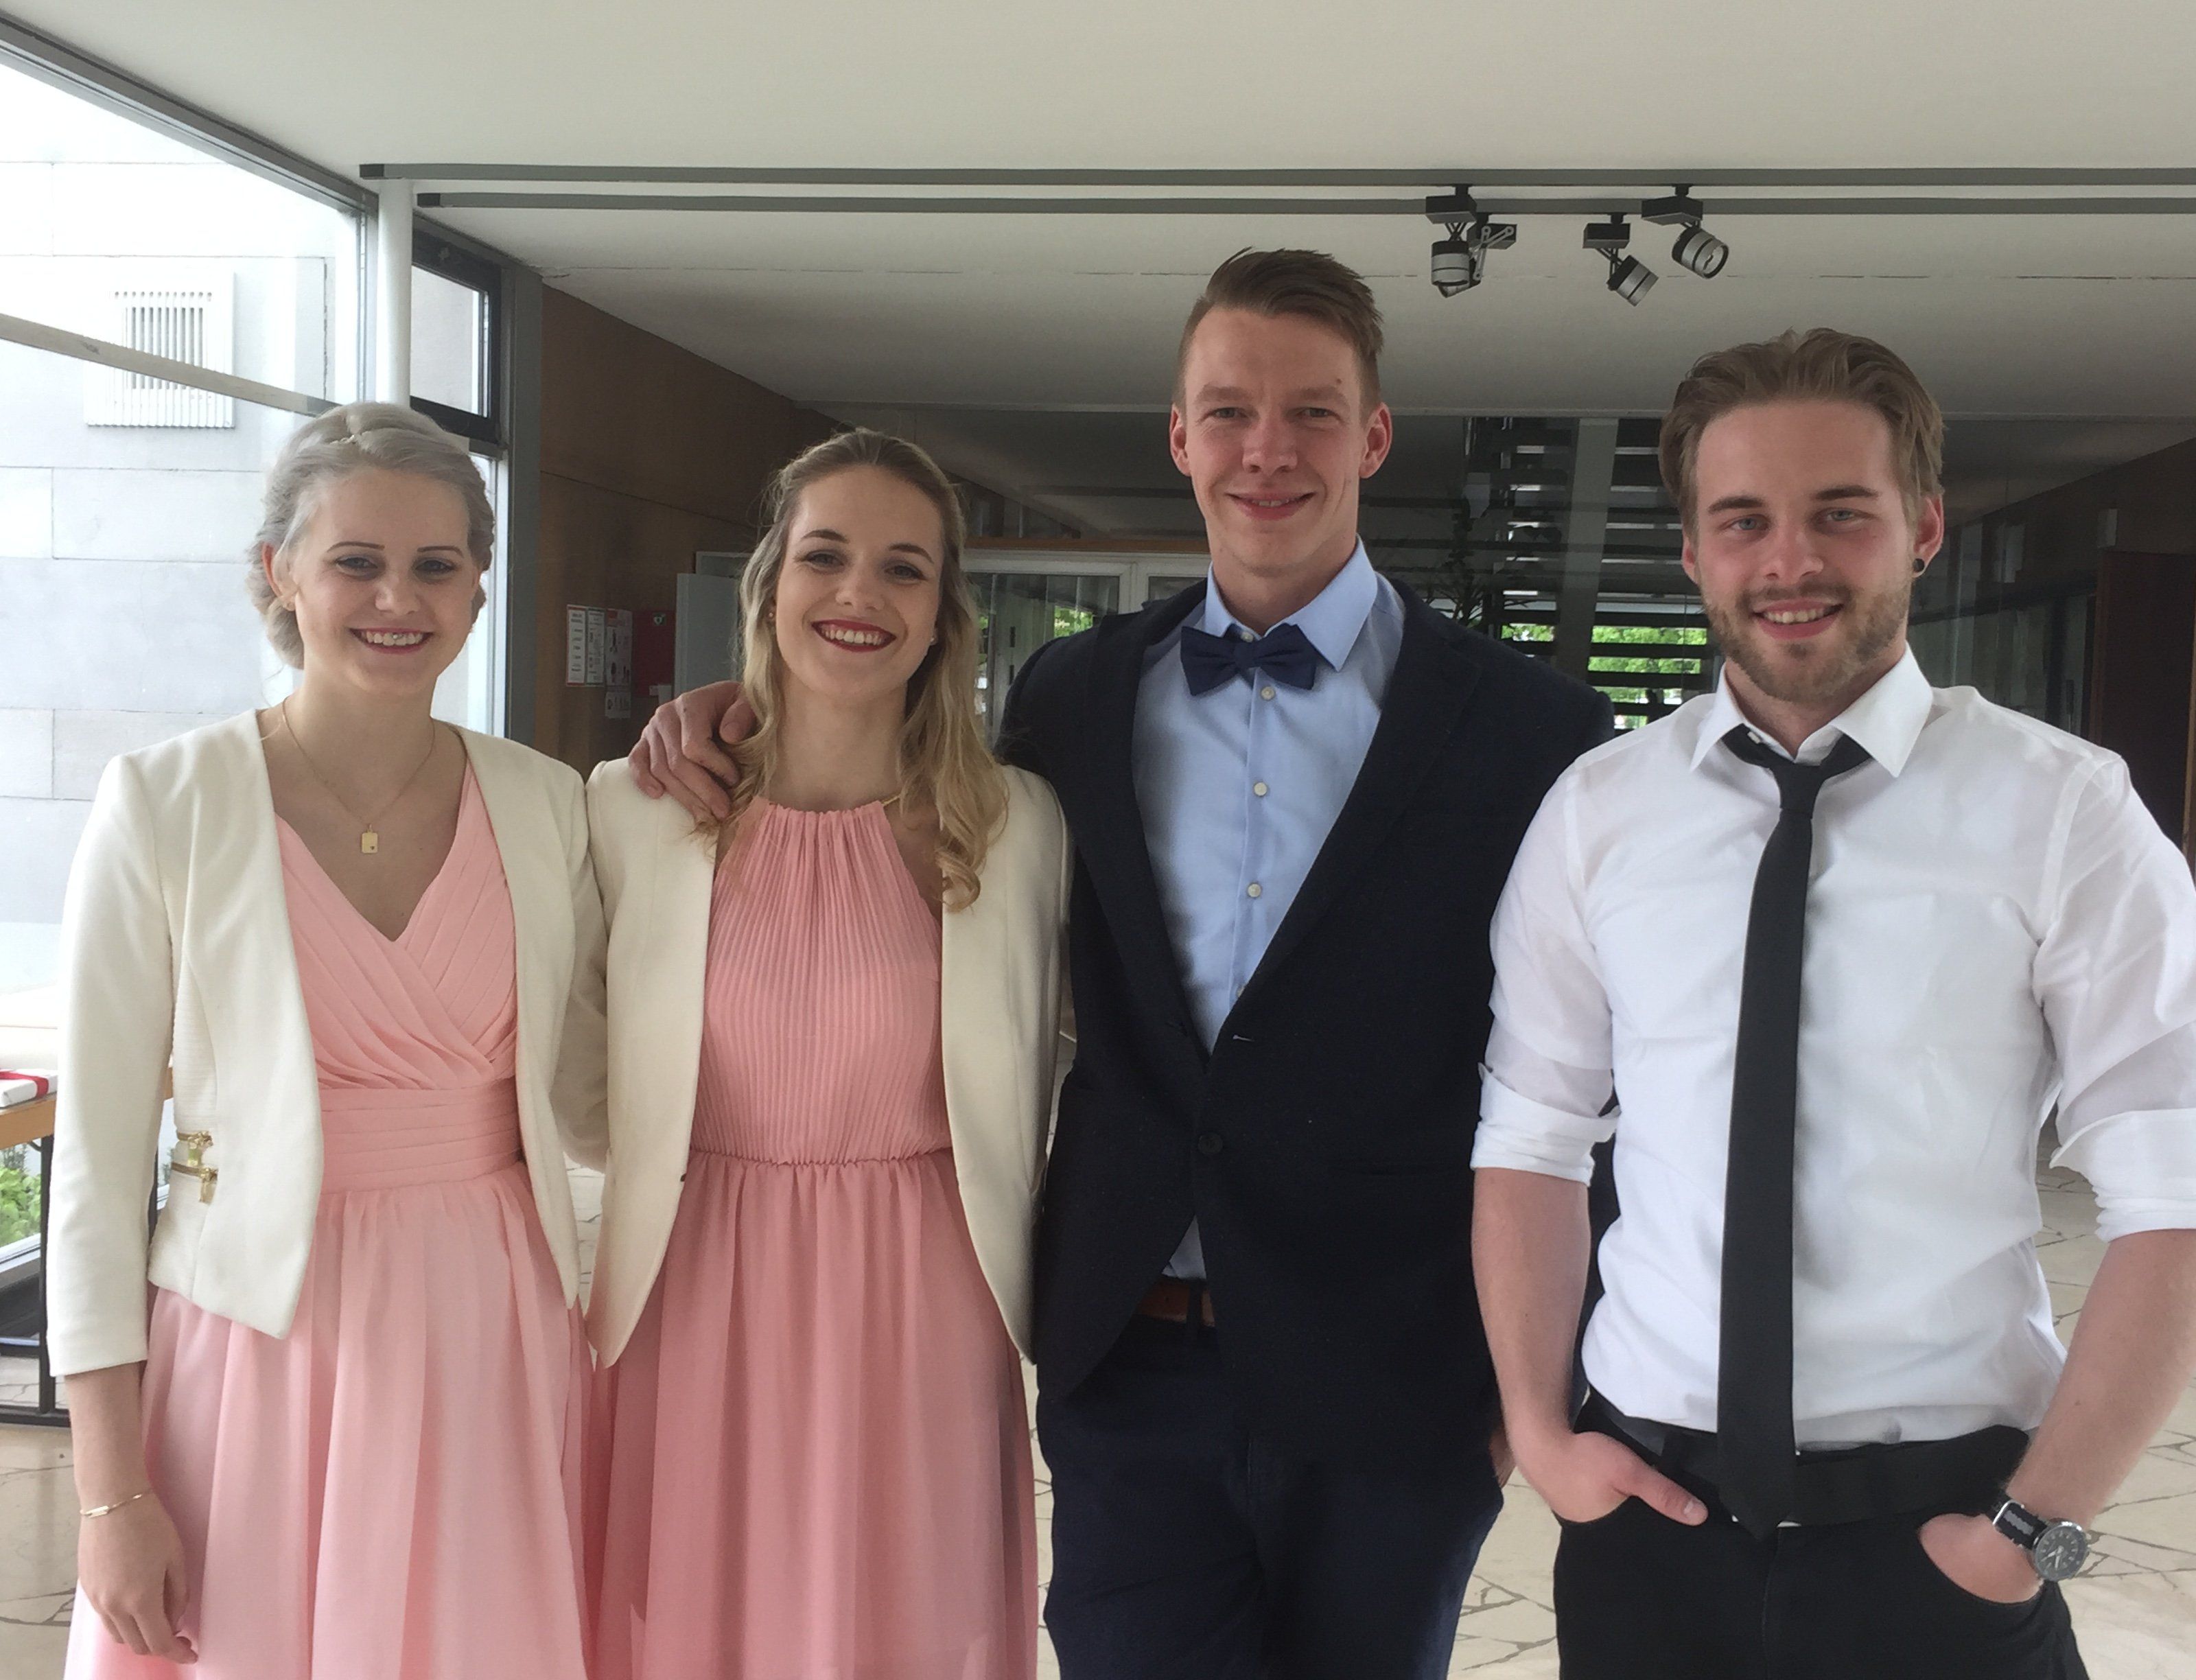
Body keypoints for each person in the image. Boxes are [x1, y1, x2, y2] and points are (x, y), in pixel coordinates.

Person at [633, 251, 1609, 1679]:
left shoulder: (1529, 727)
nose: (1265, 449)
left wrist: (1541, 1379)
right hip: (1128, 1348)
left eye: (1310, 413)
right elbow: (882, 769)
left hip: (1394, 1365)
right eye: (1226, 411)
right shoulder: (1071, 697)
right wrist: (724, 709)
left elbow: (1589, 1068)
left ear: (1374, 435)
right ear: (1179, 437)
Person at [1472, 327, 2196, 1680]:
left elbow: (2176, 1197)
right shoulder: (1598, 816)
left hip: (1942, 1536)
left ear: (1921, 527)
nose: (1787, 561)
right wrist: (1539, 1432)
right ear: (1692, 551)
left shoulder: (2062, 812)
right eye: (1741, 519)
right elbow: (1529, 1138)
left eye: (1838, 514)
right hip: (1647, 1535)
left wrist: (2030, 1532)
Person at [50, 402, 604, 1678]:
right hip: (256, 1344)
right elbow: (92, 1175)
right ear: (279, 574)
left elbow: (597, 1087)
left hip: (489, 1331)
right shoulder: (165, 803)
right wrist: (109, 1491)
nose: (396, 598)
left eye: (436, 565)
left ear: (477, 587)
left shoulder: (546, 801)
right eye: (356, 560)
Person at [581, 430, 1068, 1680]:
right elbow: (575, 1069)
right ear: (769, 586)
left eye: (904, 570)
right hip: (693, 1287)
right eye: (826, 556)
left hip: (922, 1298)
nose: (860, 595)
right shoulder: (630, 811)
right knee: (694, 1625)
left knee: (904, 1626)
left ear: (944, 616)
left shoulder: (1018, 829)